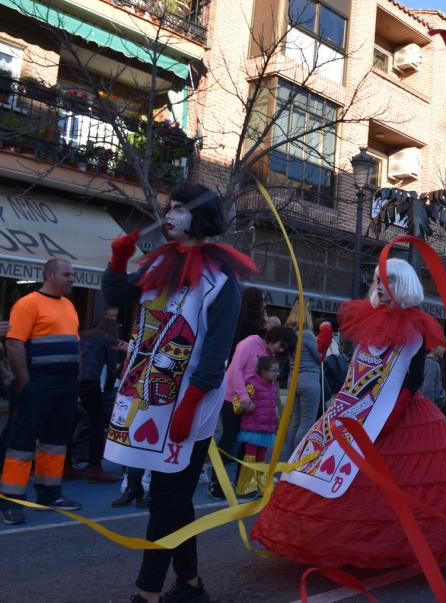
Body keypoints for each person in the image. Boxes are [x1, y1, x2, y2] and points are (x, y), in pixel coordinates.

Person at [251, 259, 446, 570]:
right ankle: (336, 542)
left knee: (396, 483)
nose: (381, 287)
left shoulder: (414, 327)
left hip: (401, 415)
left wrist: (396, 407)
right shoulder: (370, 322)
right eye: (378, 280)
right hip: (355, 409)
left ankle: (392, 547)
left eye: (388, 281)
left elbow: (412, 377)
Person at [102, 184, 255, 603]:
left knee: (167, 497)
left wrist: (190, 403)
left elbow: (216, 352)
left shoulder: (220, 281)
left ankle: (147, 592)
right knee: (172, 499)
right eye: (169, 208)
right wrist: (117, 261)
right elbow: (117, 298)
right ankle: (189, 584)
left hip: (190, 407)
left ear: (200, 218)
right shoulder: (159, 266)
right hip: (146, 397)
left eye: (181, 209)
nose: (170, 214)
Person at [0, 258, 82, 525]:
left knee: (56, 442)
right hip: (39, 383)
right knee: (21, 444)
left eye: (73, 274)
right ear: (49, 275)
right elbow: (14, 345)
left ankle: (49, 494)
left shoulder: (69, 305)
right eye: (67, 274)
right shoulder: (27, 304)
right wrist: (25, 384)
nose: (72, 279)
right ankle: (11, 500)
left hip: (65, 386)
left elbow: (74, 344)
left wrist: (76, 379)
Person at [209, 326, 295, 499]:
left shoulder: (269, 354)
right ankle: (216, 483)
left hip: (251, 405)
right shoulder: (249, 343)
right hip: (231, 399)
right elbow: (236, 370)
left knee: (246, 443)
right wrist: (243, 396)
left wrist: (275, 408)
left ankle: (244, 483)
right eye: (281, 345)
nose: (281, 350)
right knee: (229, 438)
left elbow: (270, 383)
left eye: (284, 348)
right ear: (274, 337)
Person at [76, 317, 122, 482]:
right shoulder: (107, 340)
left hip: (73, 380)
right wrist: (110, 389)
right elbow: (111, 369)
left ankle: (66, 464)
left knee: (72, 421)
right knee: (98, 423)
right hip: (90, 382)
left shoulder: (84, 334)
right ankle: (95, 467)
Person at [234, 356, 282, 498]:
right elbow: (238, 403)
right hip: (252, 428)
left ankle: (261, 486)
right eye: (274, 370)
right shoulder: (252, 384)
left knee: (261, 458)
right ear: (263, 371)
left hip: (267, 429)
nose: (277, 373)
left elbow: (272, 405)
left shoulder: (273, 386)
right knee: (250, 456)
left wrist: (276, 417)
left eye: (278, 370)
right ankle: (246, 487)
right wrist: (247, 405)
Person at [281, 298, 323, 457]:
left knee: (295, 420)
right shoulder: (307, 334)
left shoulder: (290, 334)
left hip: (293, 378)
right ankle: (298, 458)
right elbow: (319, 356)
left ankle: (290, 457)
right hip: (309, 378)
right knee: (307, 421)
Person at [230, 287, 268, 358]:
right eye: (262, 301)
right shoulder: (250, 325)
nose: (264, 304)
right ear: (254, 303)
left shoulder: (239, 319)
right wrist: (265, 327)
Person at [421, 344, 446, 409]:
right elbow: (428, 389)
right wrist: (431, 408)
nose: (445, 349)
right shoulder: (432, 364)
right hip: (430, 407)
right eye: (442, 346)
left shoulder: (428, 362)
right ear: (432, 348)